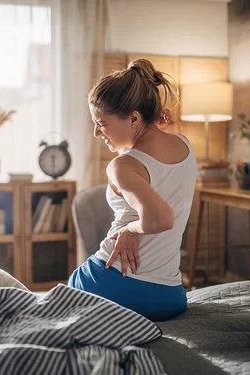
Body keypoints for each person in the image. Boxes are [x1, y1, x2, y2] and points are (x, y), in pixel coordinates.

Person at [68, 59, 198, 321]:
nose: (96, 132)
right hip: (170, 296)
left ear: (134, 118)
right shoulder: (185, 147)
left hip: (113, 285)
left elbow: (161, 218)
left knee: (70, 285)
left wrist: (129, 229)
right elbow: (157, 161)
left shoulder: (122, 166)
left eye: (102, 123)